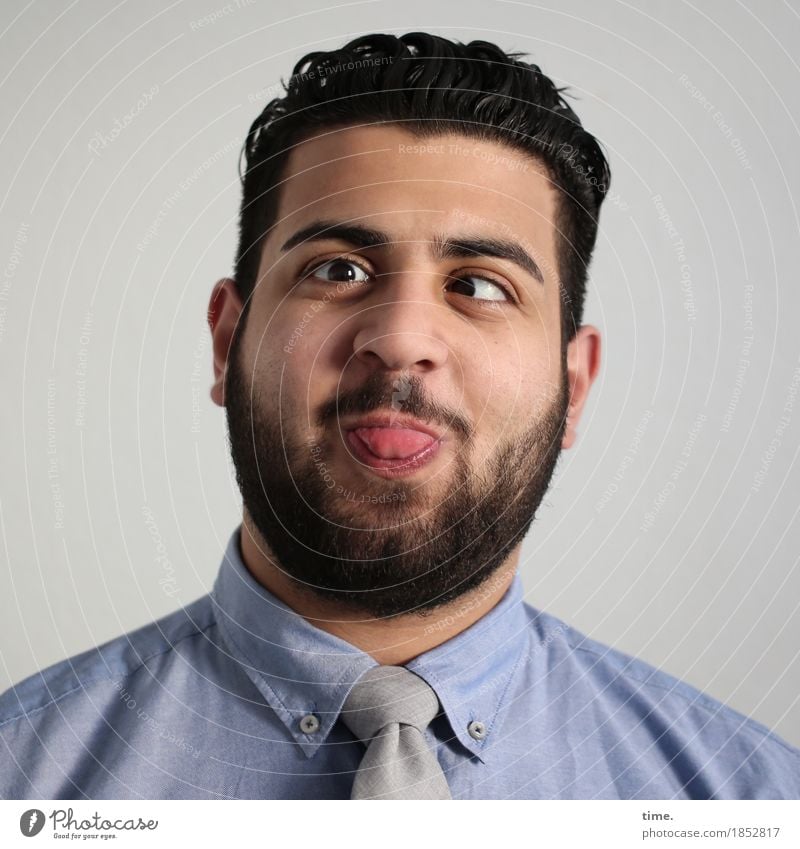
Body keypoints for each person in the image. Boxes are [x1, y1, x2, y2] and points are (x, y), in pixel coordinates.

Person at [1, 31, 797, 801]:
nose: (400, 340)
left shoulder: (752, 802)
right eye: (338, 269)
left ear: (574, 387)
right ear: (225, 341)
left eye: (480, 285)